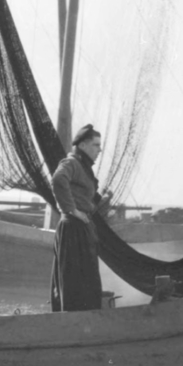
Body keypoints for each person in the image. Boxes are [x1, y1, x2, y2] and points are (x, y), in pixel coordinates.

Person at [50, 124, 105, 311]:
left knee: (87, 282)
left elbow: (82, 197)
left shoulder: (83, 166)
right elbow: (58, 180)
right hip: (72, 228)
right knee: (73, 283)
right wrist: (72, 210)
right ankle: (73, 326)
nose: (99, 150)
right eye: (96, 145)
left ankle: (84, 323)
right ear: (82, 145)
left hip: (80, 228)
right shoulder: (71, 163)